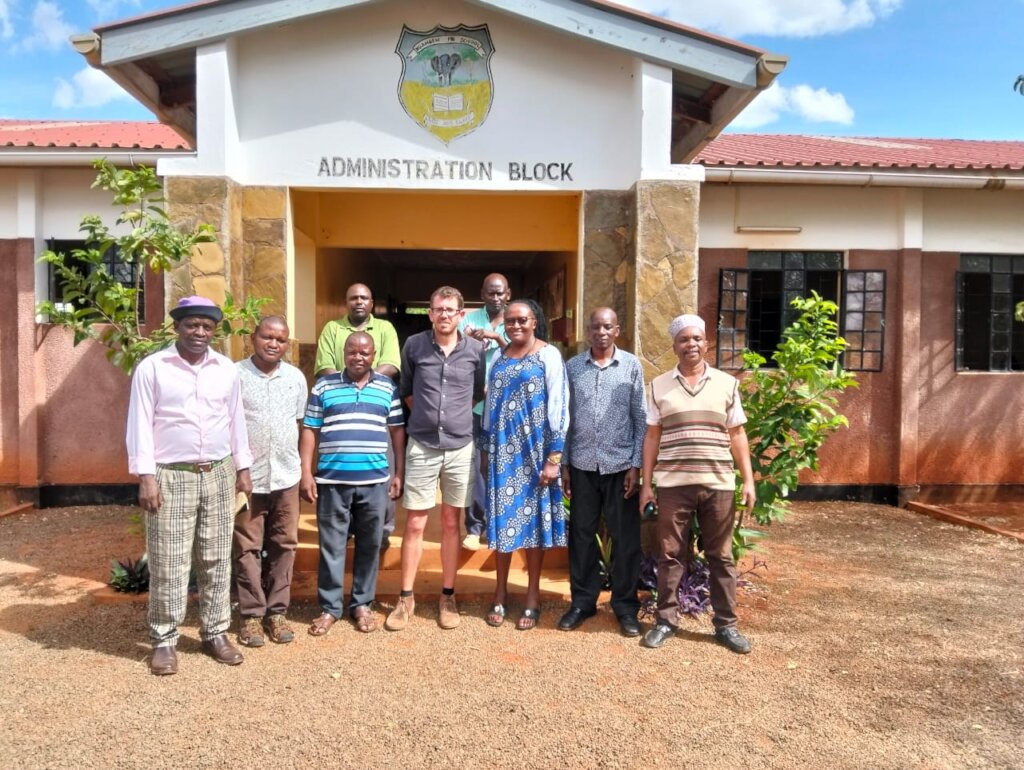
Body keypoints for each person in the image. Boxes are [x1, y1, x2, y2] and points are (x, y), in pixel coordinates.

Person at [126, 295, 253, 675]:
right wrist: (146, 478)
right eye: (192, 324)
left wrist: (243, 468)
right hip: (171, 474)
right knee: (169, 559)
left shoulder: (226, 370)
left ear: (215, 331)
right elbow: (139, 425)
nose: (199, 332)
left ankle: (215, 632)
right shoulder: (153, 368)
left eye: (207, 326)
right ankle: (164, 639)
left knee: (216, 556)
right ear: (177, 327)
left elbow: (235, 420)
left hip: (218, 472)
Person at [638, 314, 757, 654]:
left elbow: (737, 434)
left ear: (706, 343)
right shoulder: (660, 386)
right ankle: (665, 621)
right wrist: (648, 484)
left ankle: (726, 625)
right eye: (683, 340)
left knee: (721, 555)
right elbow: (651, 436)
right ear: (674, 346)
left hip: (718, 483)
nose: (690, 344)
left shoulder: (726, 384)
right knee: (670, 554)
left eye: (696, 339)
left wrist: (748, 481)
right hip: (674, 484)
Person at [385, 286, 486, 632]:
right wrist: (429, 418)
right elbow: (407, 392)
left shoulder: (476, 350)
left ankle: (447, 595)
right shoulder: (414, 346)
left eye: (451, 310)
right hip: (423, 445)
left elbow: (477, 392)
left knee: (450, 523)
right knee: (414, 523)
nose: (444, 314)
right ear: (429, 313)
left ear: (461, 315)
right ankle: (406, 597)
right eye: (438, 309)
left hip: (460, 446)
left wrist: (451, 418)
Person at [301, 332, 405, 636]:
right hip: (332, 481)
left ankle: (362, 604)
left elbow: (397, 431)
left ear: (374, 355)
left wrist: (398, 472)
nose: (358, 357)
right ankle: (330, 607)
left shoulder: (387, 388)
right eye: (352, 352)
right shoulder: (324, 385)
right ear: (343, 354)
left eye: (364, 352)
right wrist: (306, 473)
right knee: (331, 545)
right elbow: (310, 429)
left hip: (374, 482)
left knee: (369, 545)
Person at [481, 299, 569, 631]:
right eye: (510, 321)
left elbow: (560, 408)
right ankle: (500, 592)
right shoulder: (499, 359)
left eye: (522, 320)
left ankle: (532, 596)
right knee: (503, 524)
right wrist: (487, 453)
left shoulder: (548, 355)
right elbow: (490, 410)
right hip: (504, 453)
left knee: (534, 528)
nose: (515, 326)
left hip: (536, 453)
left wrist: (554, 460)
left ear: (535, 321)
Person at [558, 307, 647, 637]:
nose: (601, 332)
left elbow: (641, 420)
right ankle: (582, 602)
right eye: (595, 327)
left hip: (620, 466)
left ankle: (625, 606)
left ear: (617, 330)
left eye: (607, 326)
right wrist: (565, 464)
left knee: (625, 540)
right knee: (581, 536)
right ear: (588, 330)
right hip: (582, 465)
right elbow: (564, 421)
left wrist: (636, 465)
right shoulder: (573, 368)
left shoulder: (631, 367)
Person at [233, 316, 308, 647]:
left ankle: (277, 612)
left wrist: (306, 470)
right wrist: (239, 469)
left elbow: (303, 425)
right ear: (254, 337)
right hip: (247, 478)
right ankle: (251, 616)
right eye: (267, 336)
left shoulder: (295, 378)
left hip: (287, 476)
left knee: (285, 544)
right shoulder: (234, 376)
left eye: (280, 339)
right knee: (247, 546)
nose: (273, 343)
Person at [313, 282, 401, 546]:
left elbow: (391, 364)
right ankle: (347, 529)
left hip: (376, 408)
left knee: (381, 470)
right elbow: (324, 365)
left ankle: (381, 531)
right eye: (354, 298)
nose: (359, 302)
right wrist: (346, 387)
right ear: (346, 302)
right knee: (343, 472)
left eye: (364, 297)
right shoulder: (332, 329)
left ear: (372, 303)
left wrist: (365, 382)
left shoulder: (385, 329)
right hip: (338, 409)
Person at [458, 272, 510, 550]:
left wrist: (496, 338)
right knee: (473, 465)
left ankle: (497, 524)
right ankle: (475, 526)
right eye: (490, 292)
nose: (495, 297)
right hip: (473, 405)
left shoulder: (515, 320)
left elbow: (521, 355)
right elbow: (455, 351)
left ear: (508, 294)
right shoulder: (468, 319)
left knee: (499, 466)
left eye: (500, 292)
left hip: (506, 409)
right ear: (482, 293)